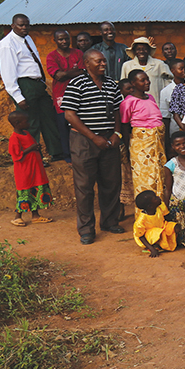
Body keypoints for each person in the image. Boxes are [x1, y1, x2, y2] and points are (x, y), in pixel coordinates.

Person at [62, 49, 125, 245]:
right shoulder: (76, 84)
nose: (103, 64)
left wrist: (116, 133)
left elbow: (117, 111)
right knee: (84, 187)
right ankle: (87, 229)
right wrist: (93, 137)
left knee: (111, 183)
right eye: (98, 61)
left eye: (104, 61)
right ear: (86, 64)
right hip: (84, 141)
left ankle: (109, 221)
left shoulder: (111, 84)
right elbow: (70, 115)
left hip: (109, 140)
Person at [0, 14, 64, 161]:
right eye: (20, 25)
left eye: (26, 25)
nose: (24, 28)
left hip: (37, 84)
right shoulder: (7, 44)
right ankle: (35, 156)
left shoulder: (27, 38)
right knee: (30, 122)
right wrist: (18, 96)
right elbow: (8, 72)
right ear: (13, 25)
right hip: (24, 84)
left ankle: (56, 151)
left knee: (48, 117)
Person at [121, 70, 166, 199]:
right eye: (143, 80)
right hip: (141, 143)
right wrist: (128, 146)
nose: (147, 82)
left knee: (159, 173)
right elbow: (125, 125)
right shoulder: (128, 102)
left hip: (157, 141)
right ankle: (145, 212)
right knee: (144, 175)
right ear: (133, 83)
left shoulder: (150, 97)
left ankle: (161, 211)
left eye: (147, 79)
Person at [8, 109, 53, 227]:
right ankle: (17, 217)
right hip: (24, 171)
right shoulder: (14, 138)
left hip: (35, 169)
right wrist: (32, 148)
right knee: (25, 192)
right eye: (26, 121)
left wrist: (36, 147)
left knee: (35, 191)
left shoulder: (26, 133)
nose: (29, 123)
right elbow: (16, 155)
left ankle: (35, 215)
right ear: (17, 123)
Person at [46, 29, 83, 162]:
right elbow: (57, 75)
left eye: (66, 39)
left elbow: (84, 72)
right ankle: (67, 155)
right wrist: (75, 72)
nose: (64, 41)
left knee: (79, 124)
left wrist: (66, 73)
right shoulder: (52, 57)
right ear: (55, 41)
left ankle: (79, 152)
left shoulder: (78, 53)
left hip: (79, 93)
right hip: (61, 95)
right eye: (60, 39)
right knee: (63, 125)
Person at [132, 190, 178, 256]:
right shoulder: (141, 220)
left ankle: (166, 242)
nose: (158, 197)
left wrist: (172, 227)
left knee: (175, 227)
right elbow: (141, 237)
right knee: (157, 232)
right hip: (150, 236)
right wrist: (152, 249)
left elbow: (168, 218)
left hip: (162, 228)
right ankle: (155, 245)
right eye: (155, 198)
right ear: (150, 206)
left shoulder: (161, 206)